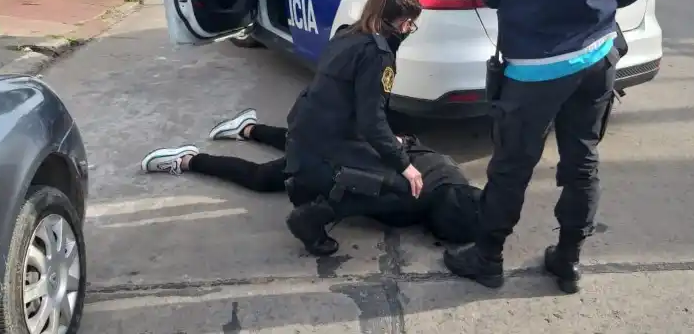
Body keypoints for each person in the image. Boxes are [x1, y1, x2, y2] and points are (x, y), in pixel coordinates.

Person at [442, 0, 647, 294]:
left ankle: (488, 257)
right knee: (583, 160)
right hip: (597, 58)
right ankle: (568, 261)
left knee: (512, 164)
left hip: (533, 68)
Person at [139, 111, 483, 244]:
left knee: (296, 143)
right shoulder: (409, 205)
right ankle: (189, 160)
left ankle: (248, 127)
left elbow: (406, 143)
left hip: (352, 145)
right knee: (261, 178)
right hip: (336, 165)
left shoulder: (449, 170)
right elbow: (350, 196)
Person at [283, 0, 426, 257]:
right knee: (402, 190)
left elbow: (349, 105)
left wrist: (387, 142)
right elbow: (371, 119)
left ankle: (304, 185)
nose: (409, 30)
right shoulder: (377, 54)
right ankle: (314, 217)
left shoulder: (346, 34)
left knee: (383, 157)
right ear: (400, 22)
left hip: (303, 136)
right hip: (327, 146)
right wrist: (404, 165)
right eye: (410, 24)